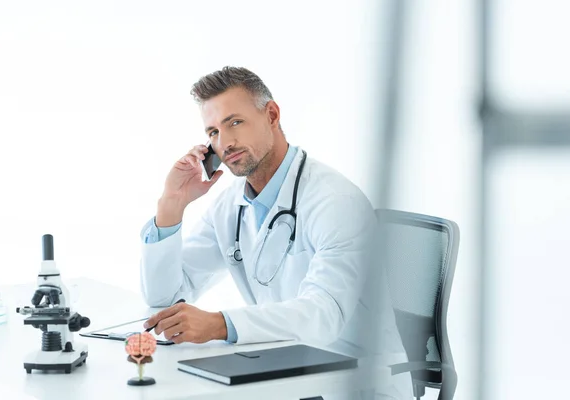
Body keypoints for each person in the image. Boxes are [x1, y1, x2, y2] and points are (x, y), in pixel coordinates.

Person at [139, 66, 411, 399]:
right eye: (212, 132)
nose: (224, 143)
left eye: (234, 122)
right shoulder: (230, 207)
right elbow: (164, 302)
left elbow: (322, 317)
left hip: (360, 382)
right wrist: (171, 205)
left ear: (271, 114)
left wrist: (219, 324)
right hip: (289, 374)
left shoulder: (335, 202)